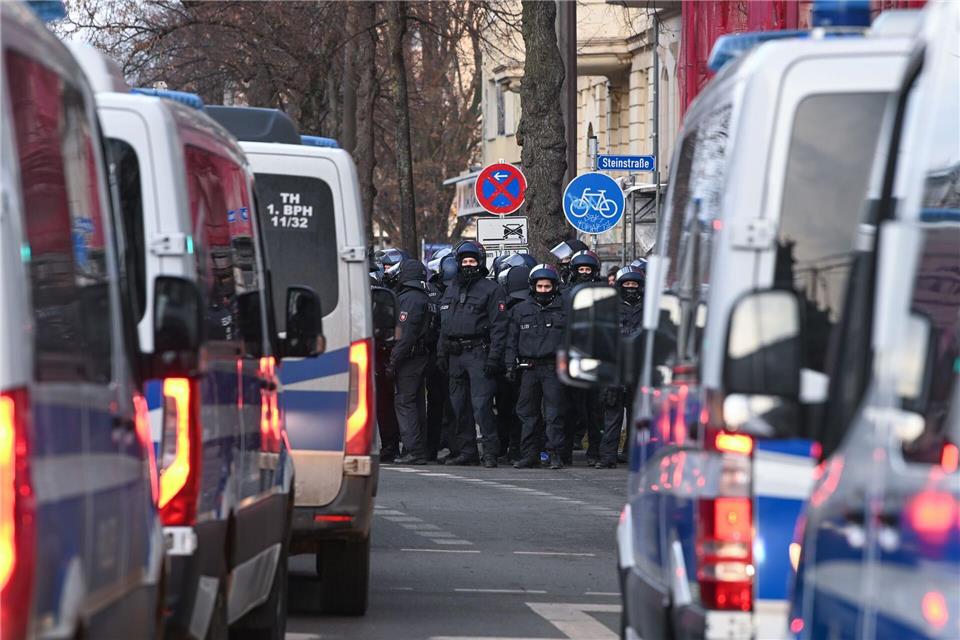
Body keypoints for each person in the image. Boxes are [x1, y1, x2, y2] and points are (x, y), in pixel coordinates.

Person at [437, 241, 508, 468]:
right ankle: (467, 451)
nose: (468, 265)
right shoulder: (451, 288)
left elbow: (499, 327)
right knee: (459, 406)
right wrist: (441, 353)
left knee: (482, 406)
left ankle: (490, 452)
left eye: (473, 261)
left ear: (480, 263)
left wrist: (494, 358)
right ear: (458, 263)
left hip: (479, 353)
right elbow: (444, 324)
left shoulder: (491, 289)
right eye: (465, 261)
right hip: (455, 355)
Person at [505, 264, 567, 469]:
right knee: (527, 414)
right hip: (529, 368)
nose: (543, 290)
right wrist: (509, 365)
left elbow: (573, 340)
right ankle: (529, 455)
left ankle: (554, 454)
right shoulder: (520, 310)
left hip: (553, 368)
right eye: (539, 286)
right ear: (532, 287)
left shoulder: (564, 309)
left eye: (547, 286)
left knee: (554, 414)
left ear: (554, 287)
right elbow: (511, 340)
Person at [597, 264, 646, 468]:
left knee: (638, 415)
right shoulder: (608, 308)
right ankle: (607, 457)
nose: (631, 287)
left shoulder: (649, 309)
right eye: (627, 283)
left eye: (635, 284)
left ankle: (634, 454)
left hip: (639, 368)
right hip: (614, 368)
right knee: (612, 414)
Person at [386, 259, 433, 465]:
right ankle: (418, 447)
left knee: (404, 402)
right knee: (416, 403)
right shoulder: (424, 296)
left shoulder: (410, 299)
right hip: (422, 356)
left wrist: (393, 360)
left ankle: (414, 450)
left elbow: (405, 335)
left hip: (410, 358)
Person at [494, 263, 531, 462]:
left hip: (509, 364)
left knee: (507, 408)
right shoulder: (530, 306)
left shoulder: (507, 308)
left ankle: (508, 446)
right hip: (523, 364)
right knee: (522, 410)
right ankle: (515, 447)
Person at [424, 251, 455, 460]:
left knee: (452, 404)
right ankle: (432, 446)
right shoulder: (433, 291)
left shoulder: (458, 290)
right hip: (436, 353)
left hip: (452, 353)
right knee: (437, 404)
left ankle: (450, 445)